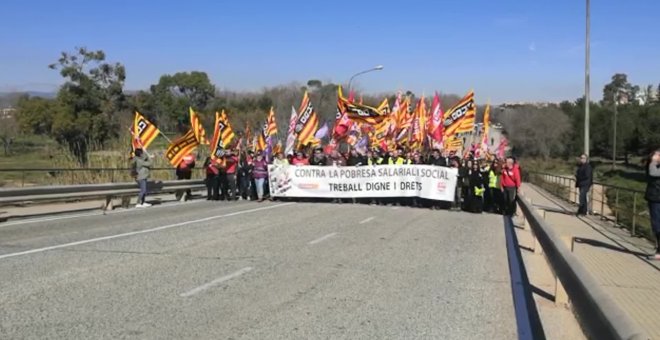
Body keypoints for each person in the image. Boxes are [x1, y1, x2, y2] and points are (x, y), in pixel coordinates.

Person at [645, 150, 660, 260]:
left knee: (657, 225)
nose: (657, 156)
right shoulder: (652, 165)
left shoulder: (654, 166)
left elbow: (653, 173)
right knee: (656, 225)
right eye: (656, 154)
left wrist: (653, 162)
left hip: (656, 198)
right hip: (654, 198)